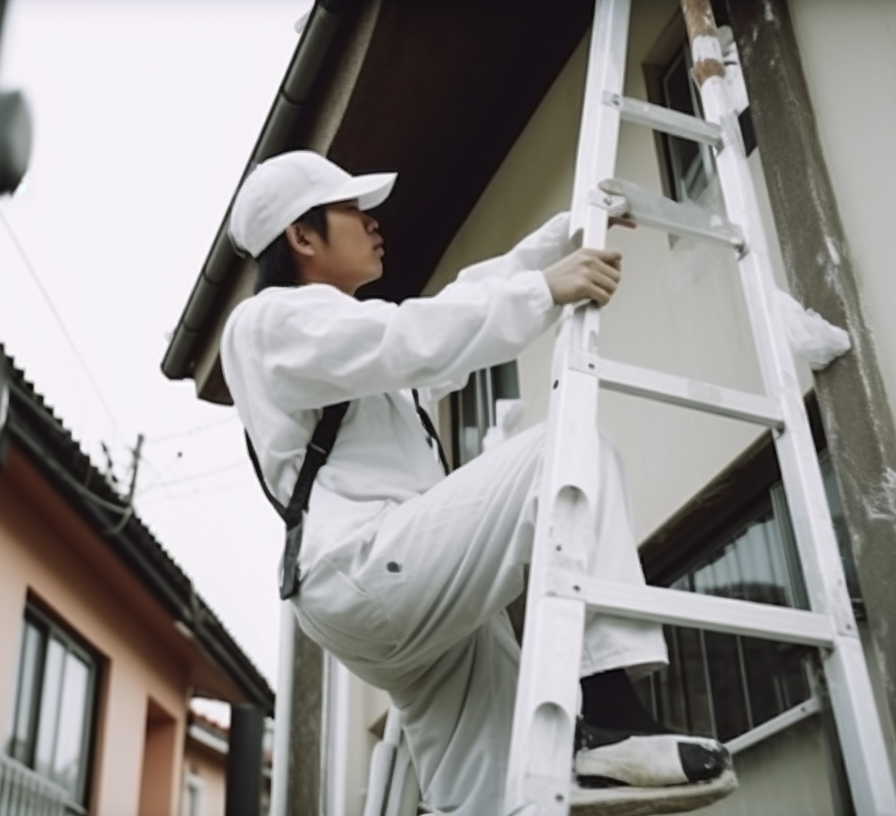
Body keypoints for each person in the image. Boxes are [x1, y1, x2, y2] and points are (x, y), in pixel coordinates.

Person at [221, 150, 737, 815]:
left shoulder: (348, 345)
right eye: (354, 209)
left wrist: (565, 233)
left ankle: (600, 741)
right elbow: (414, 334)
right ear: (301, 235)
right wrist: (547, 288)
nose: (375, 223)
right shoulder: (267, 323)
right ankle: (613, 716)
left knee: (490, 794)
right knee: (567, 449)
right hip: (365, 565)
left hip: (391, 590)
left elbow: (446, 318)